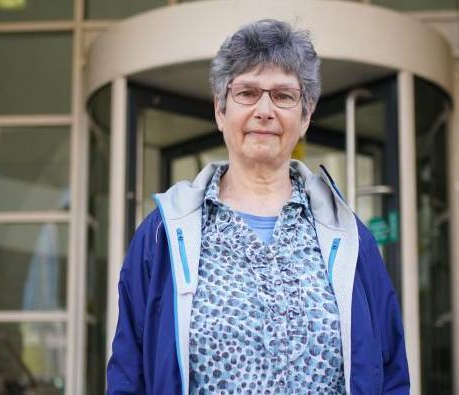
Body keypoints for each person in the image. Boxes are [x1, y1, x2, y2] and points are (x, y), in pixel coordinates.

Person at [106, 19, 409, 394]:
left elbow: (391, 370)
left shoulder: (349, 237)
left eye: (283, 96)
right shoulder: (162, 237)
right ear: (220, 110)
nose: (265, 110)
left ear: (306, 116)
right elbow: (128, 375)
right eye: (247, 93)